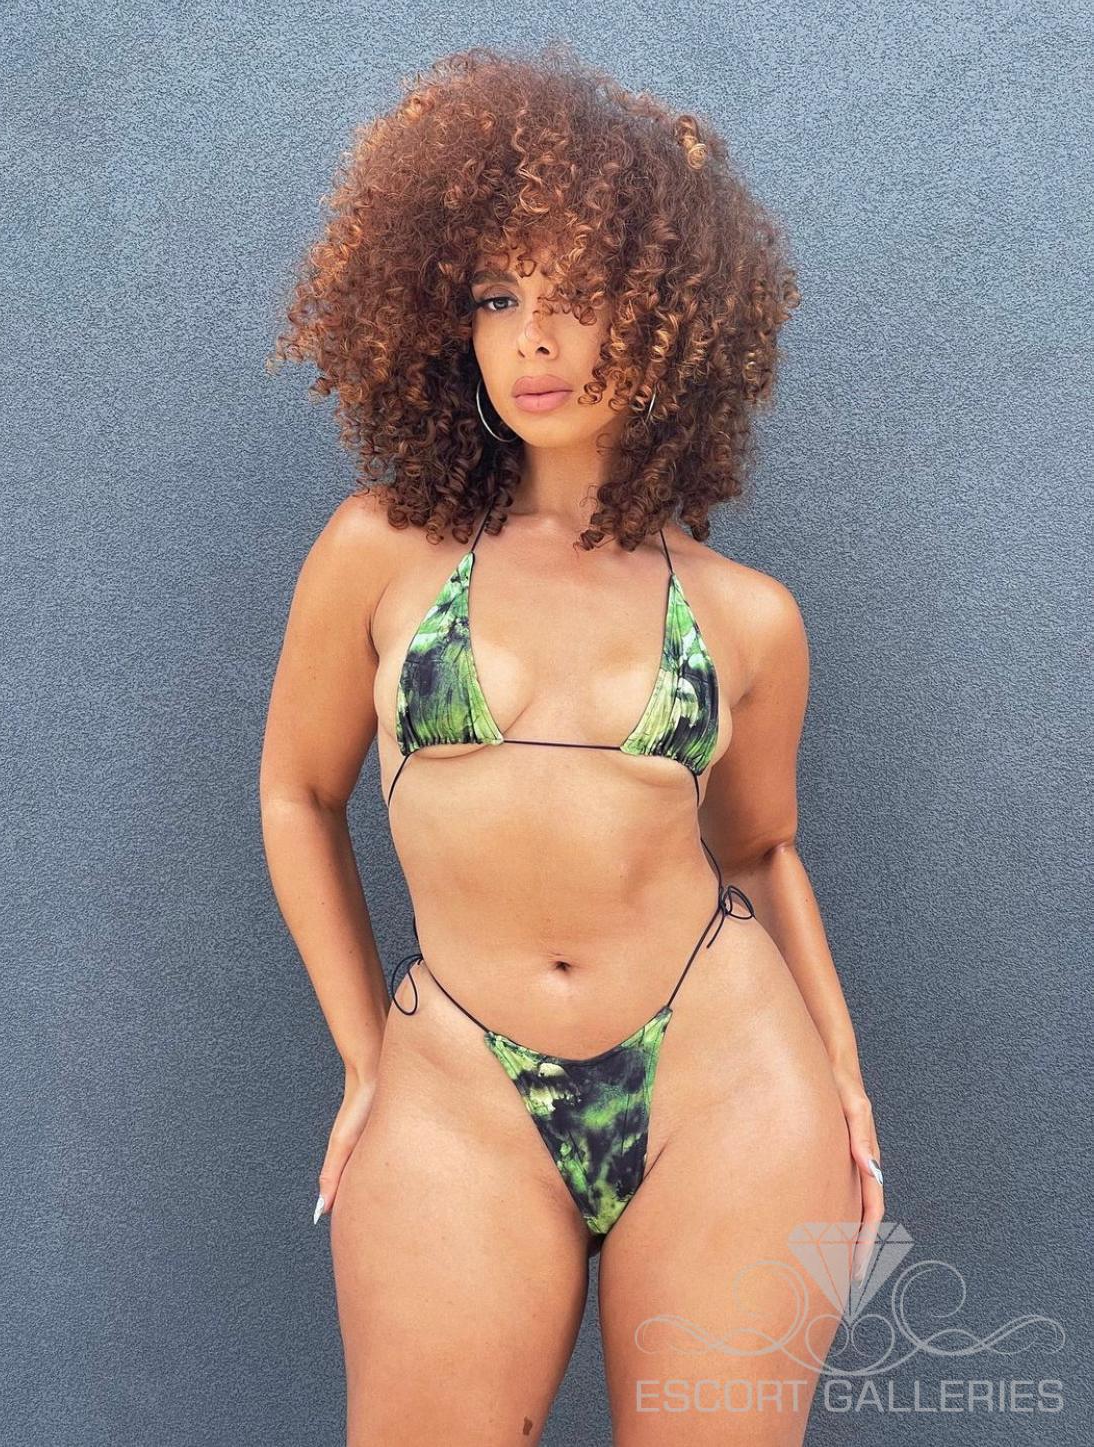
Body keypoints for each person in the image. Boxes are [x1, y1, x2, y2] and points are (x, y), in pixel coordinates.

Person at [260, 42, 882, 1446]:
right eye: (498, 298)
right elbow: (296, 792)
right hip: (458, 1084)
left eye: (578, 298)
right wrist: (362, 1059)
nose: (530, 339)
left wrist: (843, 1075)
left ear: (670, 321)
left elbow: (761, 850)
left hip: (727, 1081)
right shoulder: (381, 553)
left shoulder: (745, 615)